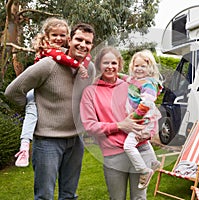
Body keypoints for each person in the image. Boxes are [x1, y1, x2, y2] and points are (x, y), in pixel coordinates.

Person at [5, 22, 96, 200]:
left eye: (88, 42)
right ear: (69, 40)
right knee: (44, 196)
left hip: (76, 141)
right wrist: (34, 108)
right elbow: (12, 91)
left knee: (69, 195)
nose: (82, 45)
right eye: (78, 39)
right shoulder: (48, 65)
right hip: (48, 142)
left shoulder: (89, 69)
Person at [80, 46, 158, 200]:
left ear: (120, 65)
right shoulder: (90, 92)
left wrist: (150, 131)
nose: (110, 67)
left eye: (114, 63)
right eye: (105, 63)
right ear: (98, 65)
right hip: (113, 154)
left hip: (141, 149)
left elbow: (150, 108)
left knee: (140, 198)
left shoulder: (130, 85)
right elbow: (89, 126)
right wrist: (120, 125)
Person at [14, 17, 91, 167]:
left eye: (62, 35)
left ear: (67, 37)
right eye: (54, 35)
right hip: (34, 91)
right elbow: (63, 59)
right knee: (31, 114)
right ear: (47, 36)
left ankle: (24, 146)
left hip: (72, 135)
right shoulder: (50, 53)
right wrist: (79, 66)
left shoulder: (60, 52)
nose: (58, 38)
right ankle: (24, 147)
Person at [119, 49, 162, 189]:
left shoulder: (148, 84)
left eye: (143, 66)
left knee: (129, 145)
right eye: (136, 66)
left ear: (149, 68)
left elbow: (147, 103)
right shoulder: (136, 80)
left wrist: (135, 118)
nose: (139, 69)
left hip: (143, 120)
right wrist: (114, 73)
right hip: (142, 120)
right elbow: (126, 78)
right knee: (142, 141)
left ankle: (144, 171)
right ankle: (154, 162)